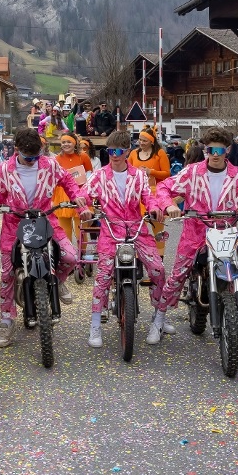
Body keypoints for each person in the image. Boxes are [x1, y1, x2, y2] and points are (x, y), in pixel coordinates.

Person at [154, 128, 238, 343]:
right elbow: (164, 187)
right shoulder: (192, 172)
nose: (215, 154)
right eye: (210, 150)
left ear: (228, 150)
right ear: (205, 150)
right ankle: (159, 318)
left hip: (225, 232)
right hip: (195, 232)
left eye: (220, 150)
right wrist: (169, 206)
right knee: (178, 274)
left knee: (233, 275)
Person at [0, 128, 90, 348]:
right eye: (28, 157)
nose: (32, 161)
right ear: (17, 150)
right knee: (7, 274)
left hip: (45, 220)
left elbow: (68, 182)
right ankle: (6, 320)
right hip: (14, 224)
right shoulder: (5, 169)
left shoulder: (49, 164)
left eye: (36, 156)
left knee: (70, 258)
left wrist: (78, 197)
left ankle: (57, 282)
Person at [82, 131, 168, 348]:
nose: (114, 155)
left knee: (158, 269)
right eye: (110, 151)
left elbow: (148, 197)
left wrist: (155, 208)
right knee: (102, 275)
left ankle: (158, 319)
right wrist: (84, 208)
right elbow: (84, 195)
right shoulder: (99, 176)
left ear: (128, 151)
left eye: (119, 151)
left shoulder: (138, 175)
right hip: (111, 230)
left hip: (137, 228)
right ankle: (95, 326)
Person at [128, 128, 171, 255]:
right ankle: (138, 261)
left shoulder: (160, 154)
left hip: (155, 194)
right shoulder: (133, 154)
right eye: (140, 139)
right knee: (138, 230)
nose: (141, 142)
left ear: (152, 142)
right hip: (137, 195)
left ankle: (160, 261)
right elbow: (127, 170)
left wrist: (151, 171)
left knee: (158, 231)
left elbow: (167, 174)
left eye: (144, 140)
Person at [52, 133, 94, 258]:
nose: (66, 145)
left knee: (80, 228)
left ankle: (82, 254)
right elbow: (54, 178)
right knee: (64, 229)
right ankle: (68, 255)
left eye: (68, 142)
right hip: (62, 194)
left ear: (74, 143)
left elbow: (90, 174)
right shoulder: (57, 159)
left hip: (79, 195)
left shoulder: (83, 156)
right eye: (63, 142)